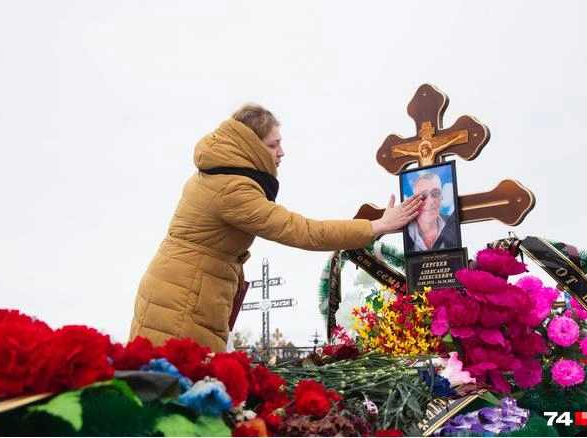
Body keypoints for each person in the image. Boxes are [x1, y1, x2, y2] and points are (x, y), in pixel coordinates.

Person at [130, 104, 424, 352]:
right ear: (250, 146)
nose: (282, 152)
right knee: (175, 398)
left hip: (182, 287)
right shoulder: (233, 189)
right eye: (273, 145)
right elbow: (303, 231)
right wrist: (376, 225)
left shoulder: (217, 174)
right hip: (184, 299)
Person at [405, 172, 457, 252]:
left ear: (441, 197)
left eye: (435, 193)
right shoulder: (404, 230)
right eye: (423, 196)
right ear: (413, 200)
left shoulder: (454, 224)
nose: (430, 201)